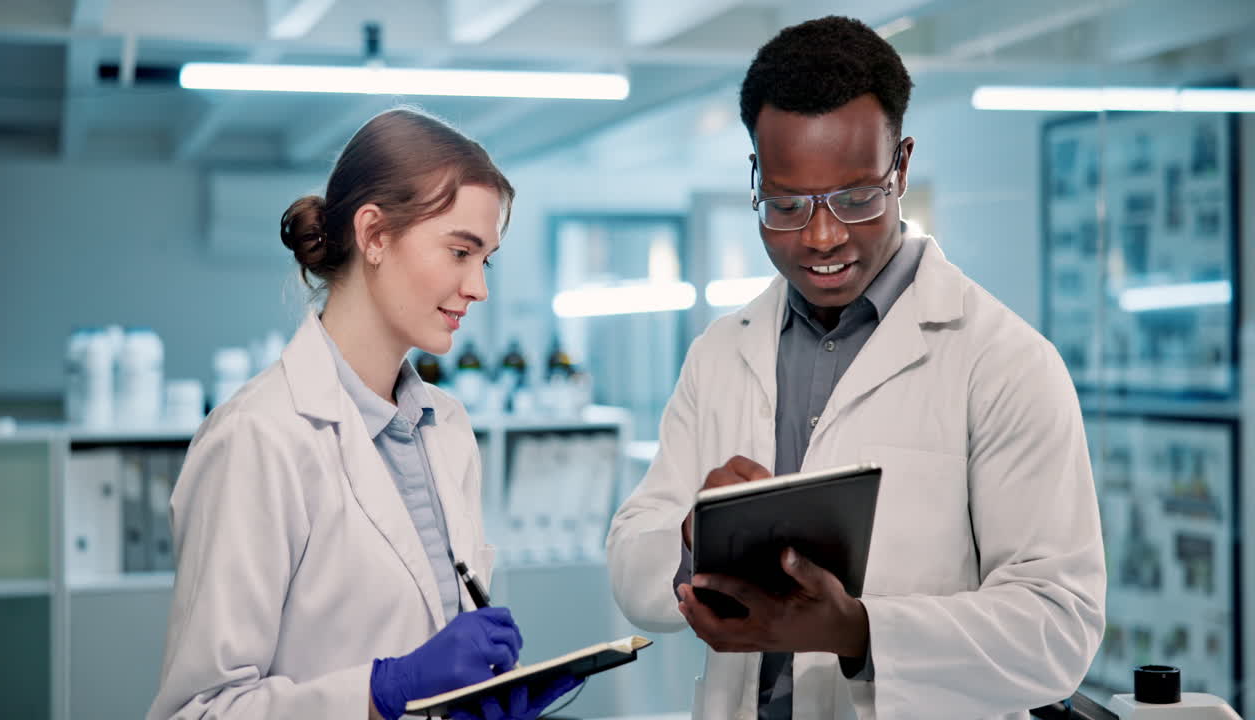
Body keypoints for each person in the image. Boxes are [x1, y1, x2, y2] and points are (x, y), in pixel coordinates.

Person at [606, 16, 1105, 720]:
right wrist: (694, 534)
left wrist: (857, 631)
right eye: (784, 205)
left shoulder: (1005, 363)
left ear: (899, 167)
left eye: (856, 199)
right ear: (755, 177)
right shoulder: (723, 351)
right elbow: (633, 564)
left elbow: (1058, 628)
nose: (821, 236)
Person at [147, 108, 575, 720]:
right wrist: (379, 695)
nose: (479, 287)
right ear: (374, 234)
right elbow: (198, 711)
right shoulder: (257, 438)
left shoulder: (446, 430)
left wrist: (474, 700)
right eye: (460, 252)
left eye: (486, 260)